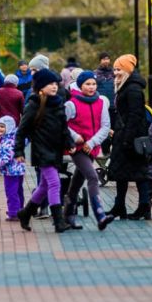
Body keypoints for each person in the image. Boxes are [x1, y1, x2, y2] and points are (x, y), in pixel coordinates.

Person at [14, 69, 75, 233]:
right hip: (41, 151)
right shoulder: (33, 105)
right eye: (50, 84)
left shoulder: (58, 103)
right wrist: (18, 151)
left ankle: (25, 213)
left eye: (56, 83)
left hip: (55, 151)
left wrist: (69, 143)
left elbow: (64, 128)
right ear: (41, 87)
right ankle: (58, 222)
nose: (54, 87)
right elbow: (21, 130)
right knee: (54, 183)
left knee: (43, 186)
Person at [62, 71, 115, 231]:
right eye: (87, 84)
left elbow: (105, 126)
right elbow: (61, 123)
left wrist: (92, 143)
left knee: (77, 181)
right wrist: (77, 137)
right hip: (77, 147)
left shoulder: (100, 102)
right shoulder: (71, 104)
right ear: (80, 85)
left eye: (93, 84)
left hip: (91, 147)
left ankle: (68, 215)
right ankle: (100, 215)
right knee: (92, 177)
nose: (91, 87)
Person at [106, 54, 152, 220]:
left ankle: (143, 206)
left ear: (127, 70)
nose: (115, 73)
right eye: (115, 69)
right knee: (122, 173)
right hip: (125, 135)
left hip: (131, 137)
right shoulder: (126, 86)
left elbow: (135, 115)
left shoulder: (132, 89)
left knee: (139, 173)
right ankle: (121, 206)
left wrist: (126, 138)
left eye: (119, 69)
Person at [0, 115, 26, 221]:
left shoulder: (8, 141)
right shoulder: (12, 138)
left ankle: (14, 213)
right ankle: (21, 210)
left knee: (11, 192)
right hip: (18, 170)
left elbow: (7, 157)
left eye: (2, 127)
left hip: (11, 171)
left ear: (9, 127)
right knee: (18, 191)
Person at [0, 74, 25, 150]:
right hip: (14, 121)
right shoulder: (19, 93)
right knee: (11, 139)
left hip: (0, 120)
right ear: (16, 83)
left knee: (0, 138)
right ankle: (10, 155)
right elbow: (23, 110)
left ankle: (0, 156)